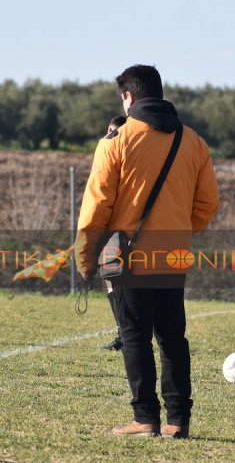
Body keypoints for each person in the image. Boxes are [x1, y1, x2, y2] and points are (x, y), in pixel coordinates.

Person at [75, 65, 220, 439]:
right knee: (173, 336)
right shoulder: (193, 141)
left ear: (129, 97)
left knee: (135, 334)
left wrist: (85, 257)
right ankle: (178, 420)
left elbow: (96, 208)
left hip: (125, 254)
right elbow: (208, 203)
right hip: (173, 255)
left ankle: (144, 418)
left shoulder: (116, 141)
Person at [101, 115, 128, 353]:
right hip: (110, 228)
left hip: (126, 228)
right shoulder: (106, 153)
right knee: (110, 278)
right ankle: (123, 331)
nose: (109, 135)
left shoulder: (126, 158)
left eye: (114, 131)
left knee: (124, 279)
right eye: (108, 130)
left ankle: (130, 333)